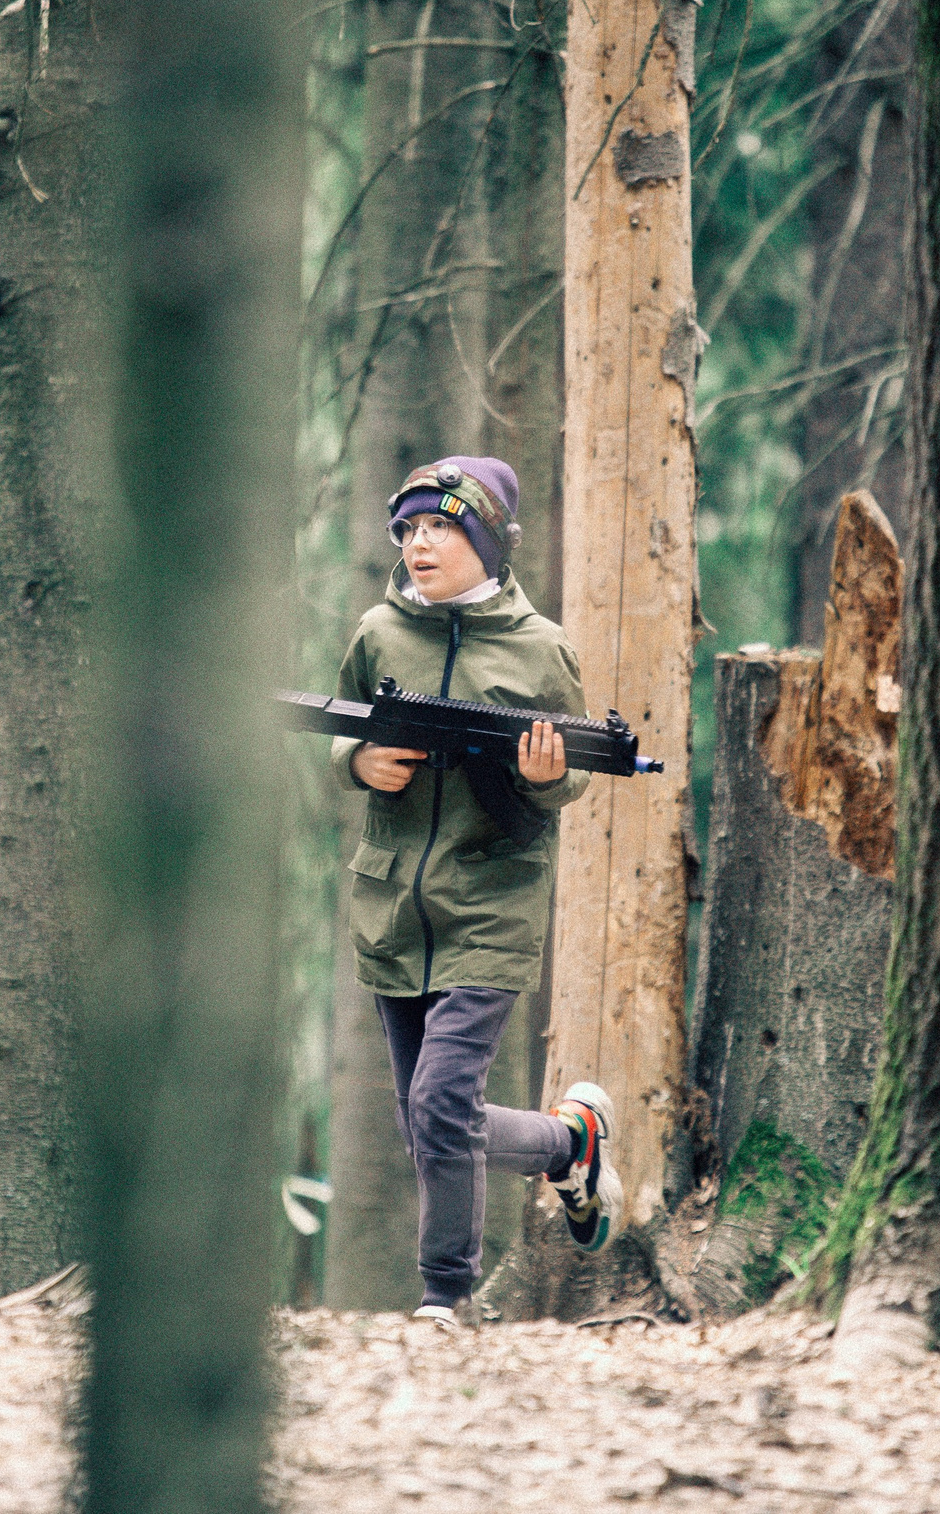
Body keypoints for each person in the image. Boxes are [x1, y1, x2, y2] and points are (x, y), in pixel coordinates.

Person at [332, 456, 623, 1326]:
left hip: (491, 902)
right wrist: (357, 761)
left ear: (487, 542)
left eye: (442, 527)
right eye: (410, 528)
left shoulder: (541, 648)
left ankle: (443, 1297)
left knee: (438, 1103)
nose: (420, 543)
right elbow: (340, 730)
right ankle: (570, 1142)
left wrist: (543, 775)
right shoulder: (378, 634)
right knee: (433, 1120)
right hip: (392, 905)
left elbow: (571, 779)